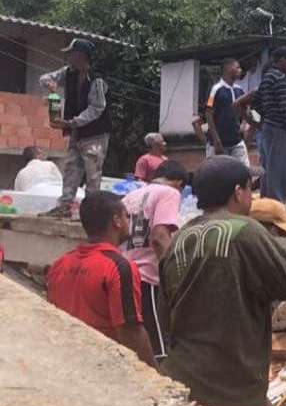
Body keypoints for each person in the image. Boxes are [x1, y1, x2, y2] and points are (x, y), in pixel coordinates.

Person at [159, 157, 286, 406]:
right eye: (251, 189)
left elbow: (165, 313)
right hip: (231, 387)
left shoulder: (179, 238)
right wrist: (283, 242)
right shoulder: (245, 230)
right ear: (238, 192)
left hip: (184, 377)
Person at [47, 190, 154, 366]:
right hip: (103, 366)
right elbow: (131, 331)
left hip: (64, 361)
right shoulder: (119, 267)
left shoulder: (60, 263)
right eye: (126, 216)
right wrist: (156, 374)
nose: (128, 222)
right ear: (117, 221)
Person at [121, 160, 189, 363]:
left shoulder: (130, 196)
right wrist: (173, 274)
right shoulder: (170, 193)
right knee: (156, 350)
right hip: (148, 278)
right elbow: (159, 237)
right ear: (179, 183)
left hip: (126, 272)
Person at [39, 38, 111, 218]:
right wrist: (50, 84)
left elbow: (97, 108)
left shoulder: (97, 80)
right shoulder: (68, 72)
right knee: (72, 168)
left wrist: (72, 122)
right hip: (77, 132)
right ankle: (64, 206)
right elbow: (44, 78)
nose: (68, 57)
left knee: (92, 173)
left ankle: (91, 212)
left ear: (80, 56)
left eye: (71, 54)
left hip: (95, 134)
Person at [239, 47, 286, 201]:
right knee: (279, 170)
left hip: (268, 128)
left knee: (269, 168)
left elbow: (256, 105)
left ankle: (266, 201)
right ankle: (276, 203)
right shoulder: (280, 78)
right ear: (282, 61)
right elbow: (285, 108)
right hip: (279, 129)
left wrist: (261, 123)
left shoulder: (266, 78)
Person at [205, 57, 249, 164]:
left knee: (244, 170)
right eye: (237, 67)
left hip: (237, 142)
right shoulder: (215, 89)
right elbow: (209, 114)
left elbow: (246, 108)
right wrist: (216, 140)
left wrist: (244, 124)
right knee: (218, 173)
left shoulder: (240, 90)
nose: (240, 70)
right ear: (229, 69)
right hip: (218, 143)